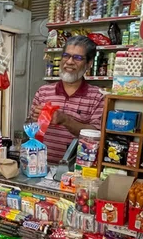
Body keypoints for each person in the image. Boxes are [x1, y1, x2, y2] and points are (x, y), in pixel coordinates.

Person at [29, 35, 106, 163]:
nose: (69, 62)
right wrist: (35, 119)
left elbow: (96, 136)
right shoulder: (43, 91)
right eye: (66, 55)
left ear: (89, 63)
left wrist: (65, 120)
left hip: (79, 169)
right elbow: (30, 126)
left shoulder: (98, 97)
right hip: (41, 165)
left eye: (78, 58)